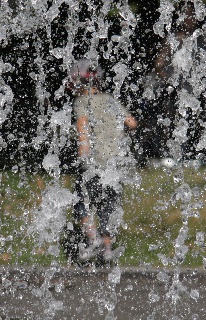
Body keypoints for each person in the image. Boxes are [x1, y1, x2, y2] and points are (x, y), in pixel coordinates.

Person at [68, 58, 137, 263]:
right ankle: (107, 251)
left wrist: (83, 154)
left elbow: (82, 128)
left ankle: (94, 239)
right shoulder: (109, 100)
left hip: (94, 162)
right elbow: (132, 123)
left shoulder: (82, 102)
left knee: (82, 202)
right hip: (115, 162)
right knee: (109, 204)